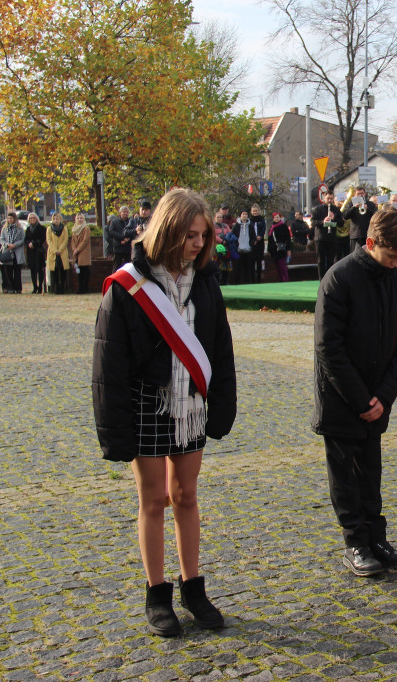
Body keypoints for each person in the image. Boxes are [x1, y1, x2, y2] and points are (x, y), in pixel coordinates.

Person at [93, 188, 236, 637]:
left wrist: (222, 408)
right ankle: (157, 595)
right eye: (190, 235)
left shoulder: (207, 282)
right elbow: (108, 366)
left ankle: (194, 588)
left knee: (187, 497)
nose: (198, 243)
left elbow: (221, 350)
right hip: (146, 405)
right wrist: (114, 433)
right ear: (168, 231)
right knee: (153, 500)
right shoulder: (127, 287)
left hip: (191, 405)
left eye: (204, 235)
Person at [313, 208, 397, 577]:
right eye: (391, 257)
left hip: (377, 397)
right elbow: (329, 349)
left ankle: (377, 538)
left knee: (371, 471)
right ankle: (355, 541)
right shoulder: (339, 278)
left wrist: (384, 396)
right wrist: (362, 399)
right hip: (342, 399)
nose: (396, 265)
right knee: (345, 475)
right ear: (370, 243)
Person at [311, 191, 342, 279]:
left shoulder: (336, 210)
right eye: (328, 198)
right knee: (320, 260)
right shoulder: (317, 209)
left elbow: (341, 223)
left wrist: (334, 218)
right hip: (320, 238)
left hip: (331, 238)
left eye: (331, 198)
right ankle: (321, 280)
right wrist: (323, 221)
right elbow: (313, 222)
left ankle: (329, 279)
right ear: (324, 198)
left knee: (331, 260)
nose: (329, 200)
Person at [0, 212, 26, 294]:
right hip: (7, 251)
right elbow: (1, 239)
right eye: (8, 218)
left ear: (14, 219)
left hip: (17, 251)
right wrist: (7, 245)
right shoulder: (4, 228)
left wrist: (15, 245)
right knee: (8, 272)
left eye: (11, 218)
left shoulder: (20, 228)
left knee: (17, 271)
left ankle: (18, 288)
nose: (9, 220)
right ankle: (10, 287)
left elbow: (22, 239)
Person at [342, 187, 376, 252]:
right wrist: (354, 207)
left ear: (365, 193)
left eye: (362, 193)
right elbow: (345, 216)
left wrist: (367, 209)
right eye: (358, 194)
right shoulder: (351, 204)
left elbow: (376, 215)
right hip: (355, 235)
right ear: (355, 195)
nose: (360, 195)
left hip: (368, 234)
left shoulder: (370, 204)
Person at [45, 213, 70, 295]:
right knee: (54, 270)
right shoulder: (49, 229)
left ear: (60, 219)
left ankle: (62, 287)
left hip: (62, 252)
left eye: (57, 219)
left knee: (63, 270)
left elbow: (65, 240)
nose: (56, 220)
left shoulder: (64, 229)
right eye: (54, 219)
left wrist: (60, 250)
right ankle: (56, 288)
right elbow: (49, 240)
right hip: (53, 252)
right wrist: (55, 250)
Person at [25, 212, 48, 294]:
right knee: (33, 270)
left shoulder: (42, 228)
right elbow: (26, 239)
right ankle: (35, 286)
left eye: (33, 218)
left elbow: (43, 239)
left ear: (37, 218)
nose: (32, 219)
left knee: (40, 270)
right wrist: (29, 244)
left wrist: (34, 243)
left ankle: (40, 287)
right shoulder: (28, 229)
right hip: (30, 252)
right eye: (30, 218)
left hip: (38, 251)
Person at [108, 205, 134, 271]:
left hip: (128, 247)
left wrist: (128, 239)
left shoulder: (131, 221)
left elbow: (134, 231)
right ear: (120, 213)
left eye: (127, 212)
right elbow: (112, 232)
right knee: (117, 266)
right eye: (124, 212)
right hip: (118, 247)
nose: (125, 213)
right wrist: (122, 238)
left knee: (128, 266)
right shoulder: (115, 222)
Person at [268, 212, 292, 282]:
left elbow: (288, 238)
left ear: (280, 218)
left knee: (282, 266)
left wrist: (288, 249)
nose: (276, 218)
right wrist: (269, 249)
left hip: (282, 249)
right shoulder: (271, 228)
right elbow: (270, 239)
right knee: (277, 267)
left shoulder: (284, 226)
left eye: (278, 217)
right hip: (274, 250)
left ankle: (285, 280)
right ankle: (281, 280)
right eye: (275, 217)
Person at [70, 214, 91, 294]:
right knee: (79, 271)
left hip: (84, 252)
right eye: (78, 218)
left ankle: (85, 287)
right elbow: (72, 241)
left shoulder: (86, 228)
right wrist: (74, 249)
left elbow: (85, 241)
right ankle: (80, 287)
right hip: (77, 253)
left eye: (81, 218)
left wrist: (77, 249)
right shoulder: (74, 229)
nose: (79, 219)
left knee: (84, 270)